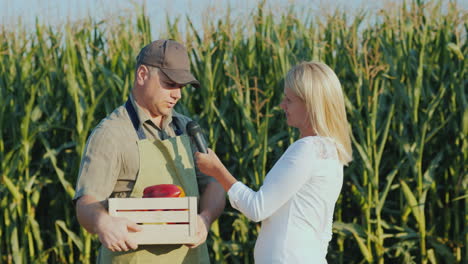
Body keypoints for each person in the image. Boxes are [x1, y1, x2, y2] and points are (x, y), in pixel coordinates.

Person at [74, 39, 225, 264]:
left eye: (181, 86)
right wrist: (102, 222)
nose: (178, 95)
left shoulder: (186, 128)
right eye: (170, 83)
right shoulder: (111, 134)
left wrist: (205, 218)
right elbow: (85, 202)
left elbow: (214, 184)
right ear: (142, 75)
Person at [195, 61, 353, 264]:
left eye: (289, 100)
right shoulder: (330, 151)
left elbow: (256, 208)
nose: (282, 105)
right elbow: (324, 229)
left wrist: (217, 171)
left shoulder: (308, 149)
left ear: (310, 105)